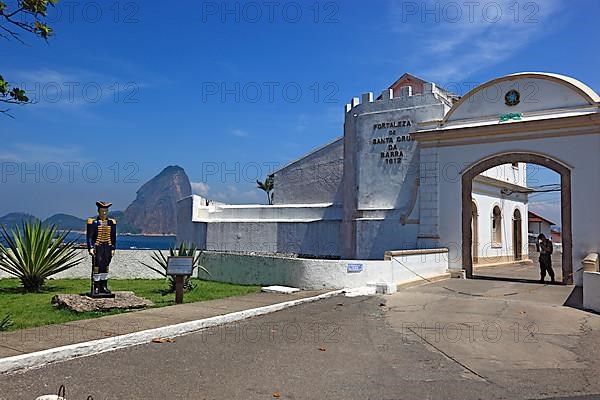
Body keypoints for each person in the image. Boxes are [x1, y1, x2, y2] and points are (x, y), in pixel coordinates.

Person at [86, 201, 117, 297]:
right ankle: (96, 286)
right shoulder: (93, 222)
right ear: (98, 211)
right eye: (102, 211)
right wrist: (90, 247)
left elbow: (113, 236)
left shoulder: (112, 222)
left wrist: (113, 248)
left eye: (105, 211)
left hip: (107, 246)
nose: (104, 213)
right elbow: (90, 236)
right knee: (97, 266)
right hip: (97, 247)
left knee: (106, 265)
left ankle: (103, 286)